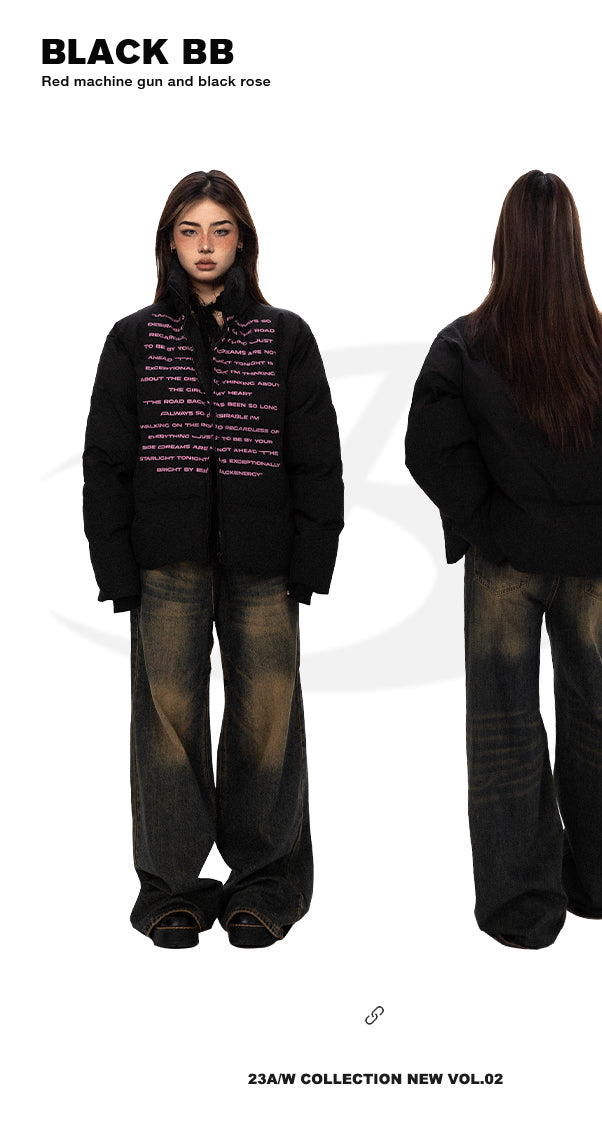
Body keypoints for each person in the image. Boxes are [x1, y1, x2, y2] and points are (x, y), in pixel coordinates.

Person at [83, 170, 344, 949]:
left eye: (220, 230)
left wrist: (313, 559)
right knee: (167, 726)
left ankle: (265, 886)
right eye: (190, 230)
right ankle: (170, 890)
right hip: (165, 564)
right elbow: (106, 463)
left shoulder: (284, 336)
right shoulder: (134, 339)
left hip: (266, 565)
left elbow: (318, 458)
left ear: (242, 240)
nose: (205, 246)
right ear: (170, 241)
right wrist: (115, 569)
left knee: (268, 723)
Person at [405, 170, 602, 950]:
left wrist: (484, 524)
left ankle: (521, 904)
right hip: (590, 566)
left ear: (504, 245)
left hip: (506, 563)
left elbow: (427, 448)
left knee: (504, 725)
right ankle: (601, 882)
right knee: (595, 714)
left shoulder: (465, 344)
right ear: (572, 247)